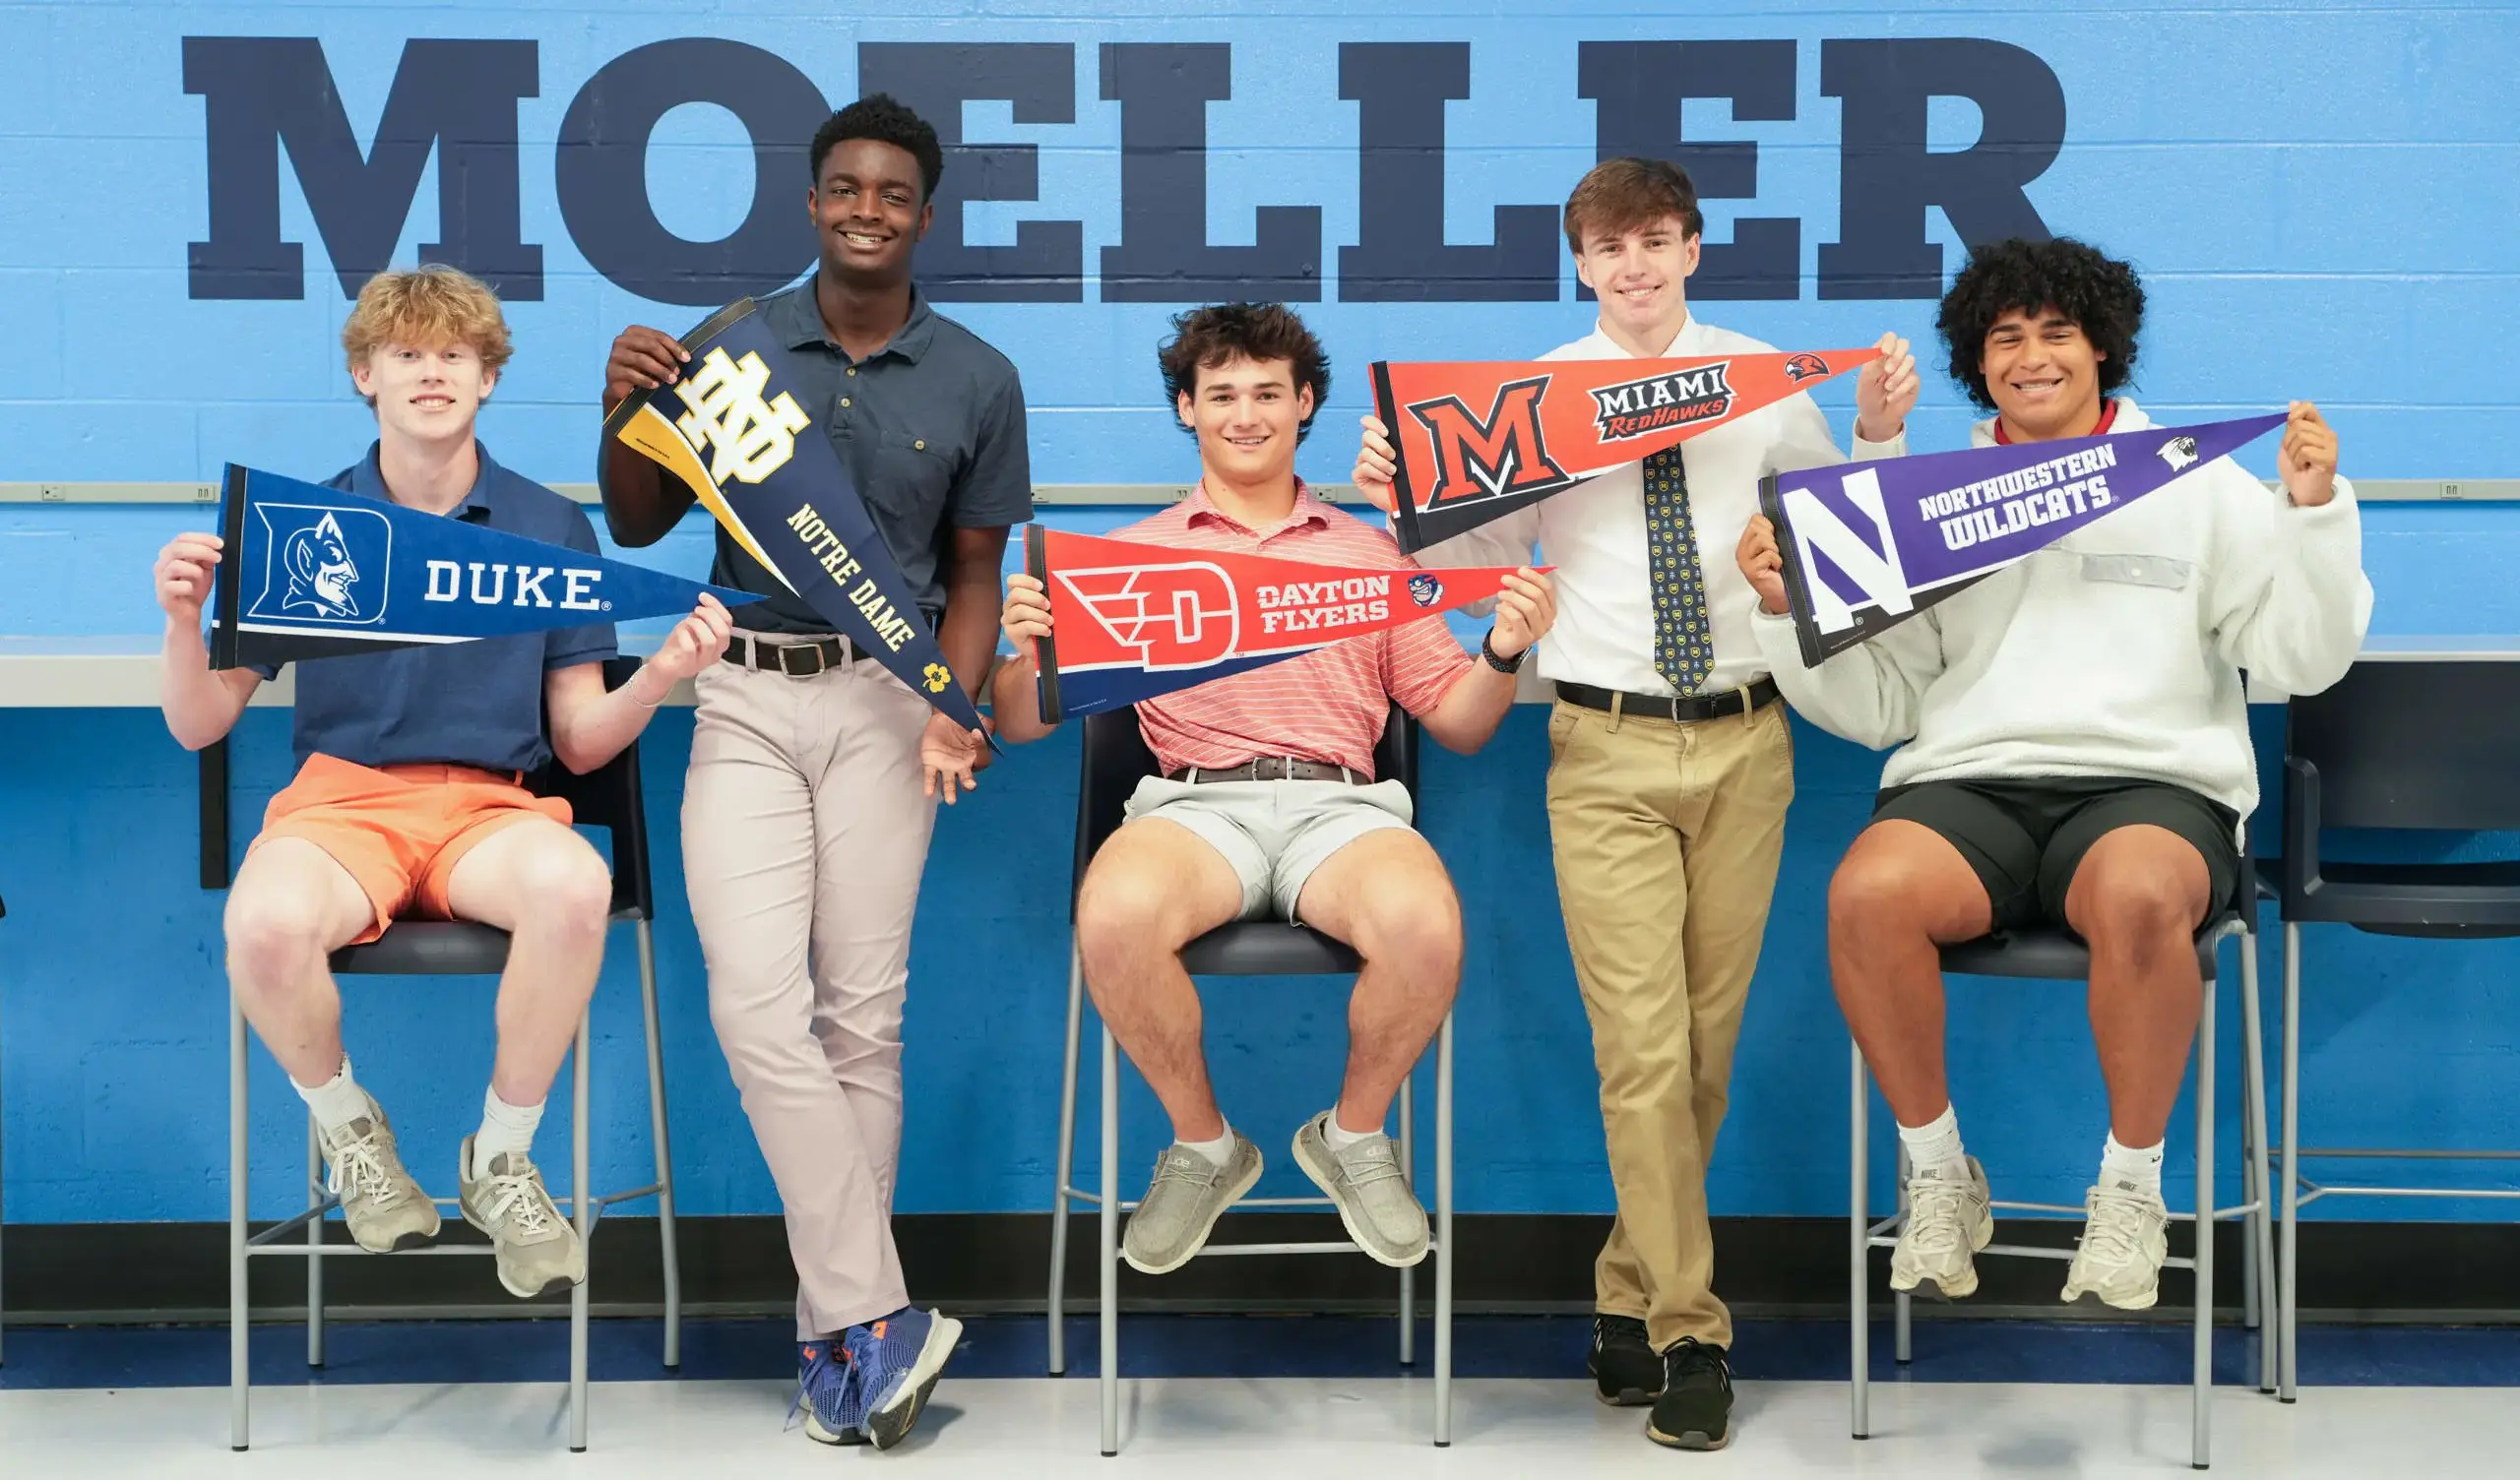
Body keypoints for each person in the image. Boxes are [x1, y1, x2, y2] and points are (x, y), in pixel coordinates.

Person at [1352, 157, 1916, 1449]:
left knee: (1702, 1053)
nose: (1635, 265)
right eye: (1610, 247)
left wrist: (1879, 432)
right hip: (1602, 748)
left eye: (1656, 240)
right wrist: (1405, 498)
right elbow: (1476, 554)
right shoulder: (1538, 399)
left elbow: (1841, 541)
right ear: (1581, 265)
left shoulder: (1762, 383)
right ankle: (1690, 1334)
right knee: (1644, 1052)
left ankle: (1622, 1289)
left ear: (1693, 249)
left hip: (1747, 741)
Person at [1736, 235, 2369, 1312]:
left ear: (2102, 346)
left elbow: (2301, 660)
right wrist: (1782, 613)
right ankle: (1939, 1175)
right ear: (1977, 363)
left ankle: (2130, 1191)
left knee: (2137, 894)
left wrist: (2311, 513)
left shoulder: (2200, 487)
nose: (2032, 357)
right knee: (1867, 894)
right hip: (1969, 784)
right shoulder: (1928, 503)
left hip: (2152, 786)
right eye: (2005, 338)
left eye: (2056, 333)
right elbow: (1882, 707)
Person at [153, 265, 732, 1305]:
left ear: (487, 377)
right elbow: (200, 721)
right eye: (407, 354)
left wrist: (655, 677)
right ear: (365, 376)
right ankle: (351, 1134)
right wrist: (182, 621)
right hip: (341, 809)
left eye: (454, 355)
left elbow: (580, 743)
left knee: (575, 887)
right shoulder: (304, 527)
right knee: (264, 925)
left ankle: (501, 1159)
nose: (432, 373)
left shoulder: (548, 527)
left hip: (489, 811)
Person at [597, 93, 1030, 1449]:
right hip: (743, 693)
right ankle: (876, 1308)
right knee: (755, 1005)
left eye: (892, 193)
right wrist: (621, 406)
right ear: (811, 202)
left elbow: (975, 573)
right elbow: (638, 518)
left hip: (890, 706)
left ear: (924, 215)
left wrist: (954, 707)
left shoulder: (977, 375)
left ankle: (843, 1353)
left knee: (862, 1023)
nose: (866, 210)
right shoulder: (731, 346)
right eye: (845, 188)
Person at [993, 302, 1554, 1276]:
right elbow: (1019, 722)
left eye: (1266, 393)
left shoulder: (1370, 554)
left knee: (1424, 925)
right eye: (1220, 395)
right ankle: (1204, 1146)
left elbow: (1461, 726)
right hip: (1191, 807)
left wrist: (1504, 649)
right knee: (1113, 914)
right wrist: (1029, 651)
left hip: (1341, 808)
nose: (1244, 415)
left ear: (1304, 405)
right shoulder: (1132, 559)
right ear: (1187, 409)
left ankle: (1353, 1135)